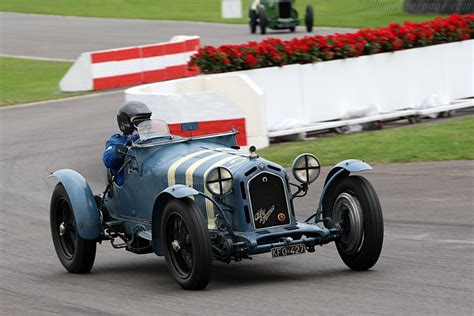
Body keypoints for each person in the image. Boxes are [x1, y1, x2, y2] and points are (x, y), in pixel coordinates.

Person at [103, 101, 152, 186]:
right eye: (139, 122)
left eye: (146, 121)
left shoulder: (152, 138)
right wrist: (126, 146)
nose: (144, 125)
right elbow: (109, 162)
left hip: (150, 177)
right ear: (126, 123)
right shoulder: (117, 141)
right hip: (129, 185)